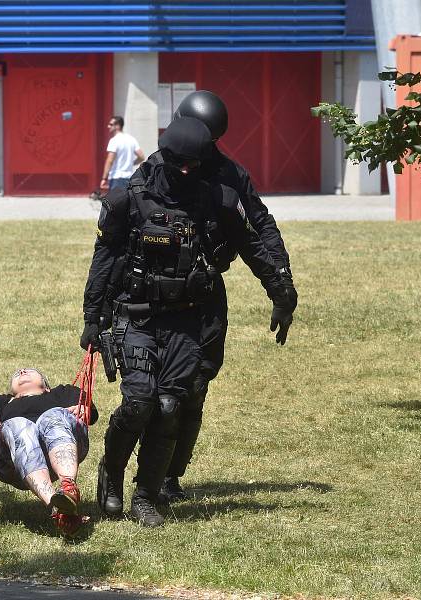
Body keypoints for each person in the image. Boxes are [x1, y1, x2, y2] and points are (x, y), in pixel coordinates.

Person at [80, 117, 293, 527]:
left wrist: (282, 293)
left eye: (192, 166)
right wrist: (93, 317)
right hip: (136, 314)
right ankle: (111, 475)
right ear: (165, 157)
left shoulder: (215, 198)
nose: (184, 173)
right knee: (139, 401)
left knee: (168, 405)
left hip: (187, 319)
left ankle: (146, 495)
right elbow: (104, 259)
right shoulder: (128, 198)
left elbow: (253, 244)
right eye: (178, 164)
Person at [158, 90, 297, 502]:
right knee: (157, 392)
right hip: (158, 291)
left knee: (195, 386)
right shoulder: (156, 168)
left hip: (206, 291)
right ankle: (142, 475)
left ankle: (170, 476)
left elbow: (260, 228)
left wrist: (283, 285)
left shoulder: (230, 175)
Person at [0, 368, 97, 536]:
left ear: (46, 386)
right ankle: (58, 506)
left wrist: (84, 409)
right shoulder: (0, 402)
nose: (22, 371)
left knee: (52, 416)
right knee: (19, 426)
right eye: (17, 373)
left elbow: (90, 411)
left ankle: (67, 487)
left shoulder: (62, 393)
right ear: (11, 391)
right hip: (15, 461)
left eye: (29, 371)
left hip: (63, 441)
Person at [100, 116, 145, 192]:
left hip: (116, 178)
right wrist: (131, 163)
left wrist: (104, 178)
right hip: (129, 178)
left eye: (111, 124)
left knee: (115, 203)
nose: (108, 126)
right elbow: (141, 156)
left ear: (117, 126)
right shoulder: (131, 139)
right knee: (127, 202)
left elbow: (110, 160)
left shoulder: (114, 140)